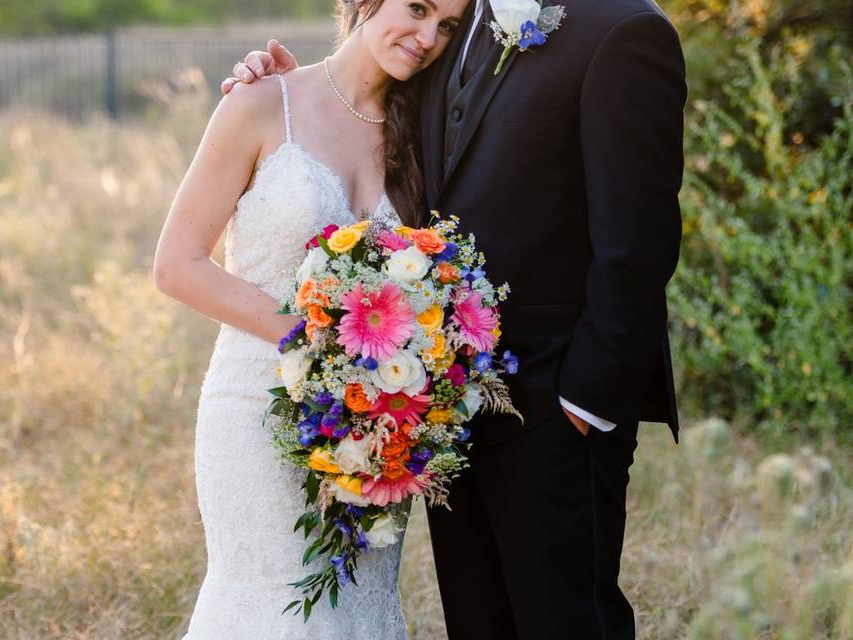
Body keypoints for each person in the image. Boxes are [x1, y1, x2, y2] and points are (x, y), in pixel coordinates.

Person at [224, 0, 686, 637]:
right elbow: (371, 114)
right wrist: (288, 92)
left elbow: (640, 239)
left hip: (556, 403)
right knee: (479, 621)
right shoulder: (450, 23)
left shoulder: (623, 28)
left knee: (566, 620)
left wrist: (584, 403)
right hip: (441, 405)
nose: (427, 32)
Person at [153, 0, 469, 637]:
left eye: (448, 28)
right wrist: (322, 341)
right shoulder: (263, 102)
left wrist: (389, 379)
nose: (428, 37)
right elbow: (178, 264)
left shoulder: (426, 135)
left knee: (355, 610)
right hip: (255, 406)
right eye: (417, 8)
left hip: (378, 426)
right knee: (272, 606)